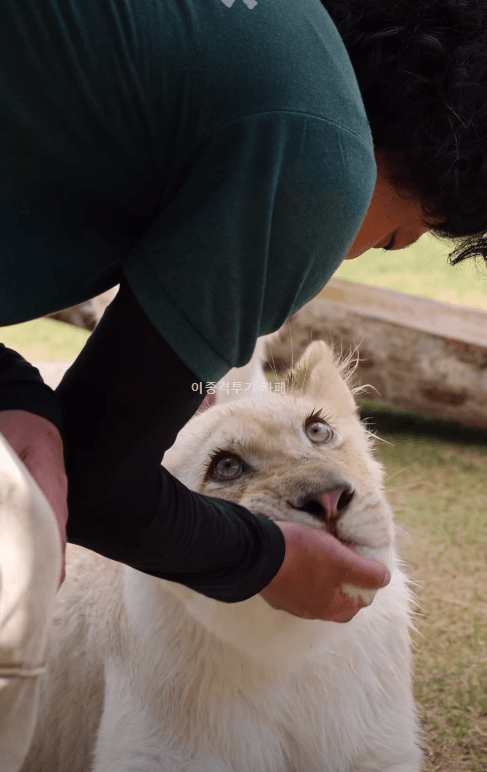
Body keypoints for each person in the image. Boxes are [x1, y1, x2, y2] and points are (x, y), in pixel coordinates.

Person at [1, 0, 487, 627]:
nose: (355, 254)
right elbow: (97, 487)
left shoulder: (256, 35)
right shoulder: (323, 153)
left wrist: (17, 390)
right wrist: (269, 561)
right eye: (395, 237)